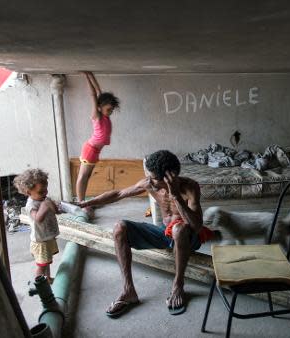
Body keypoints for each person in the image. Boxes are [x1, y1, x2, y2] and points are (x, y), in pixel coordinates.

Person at [80, 150, 212, 317]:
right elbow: (119, 194)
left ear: (168, 177)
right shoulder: (150, 183)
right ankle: (129, 291)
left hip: (188, 236)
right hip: (165, 233)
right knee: (120, 227)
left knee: (179, 229)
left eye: (153, 178)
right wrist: (87, 202)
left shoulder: (190, 187)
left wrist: (176, 196)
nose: (149, 180)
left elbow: (196, 226)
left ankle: (178, 285)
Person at [76, 72, 120, 214]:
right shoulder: (97, 116)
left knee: (86, 176)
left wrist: (90, 75)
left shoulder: (105, 116)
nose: (110, 112)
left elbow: (99, 92)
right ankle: (81, 203)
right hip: (90, 149)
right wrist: (85, 76)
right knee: (82, 176)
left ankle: (83, 202)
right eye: (108, 109)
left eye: (112, 110)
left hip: (95, 151)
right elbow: (93, 95)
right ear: (100, 107)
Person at [14, 169, 60, 283]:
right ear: (28, 192)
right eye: (41, 192)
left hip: (47, 236)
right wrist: (44, 206)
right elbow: (37, 219)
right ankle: (39, 284)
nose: (45, 193)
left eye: (46, 190)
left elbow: (56, 211)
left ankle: (48, 278)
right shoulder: (31, 204)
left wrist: (56, 206)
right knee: (41, 265)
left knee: (47, 261)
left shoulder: (44, 199)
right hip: (40, 242)